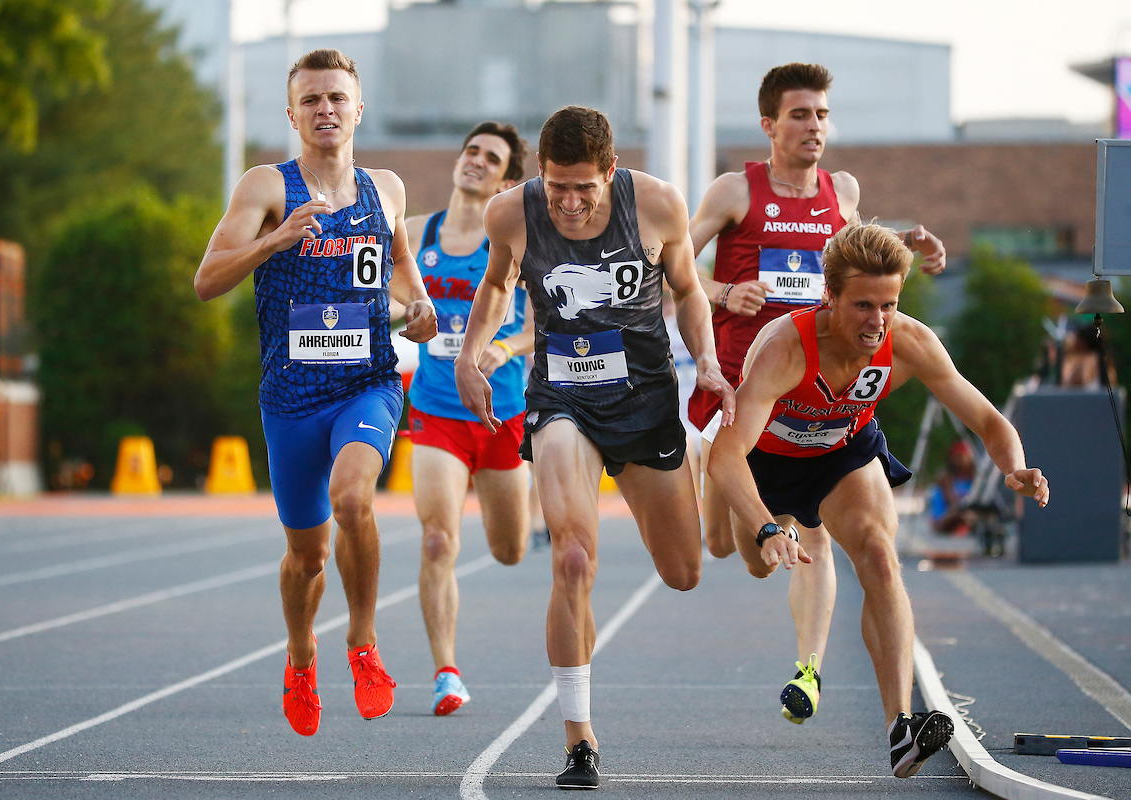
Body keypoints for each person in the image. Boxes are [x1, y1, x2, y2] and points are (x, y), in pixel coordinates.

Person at [455, 105, 734, 789]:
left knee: (683, 572)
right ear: (541, 176)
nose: (572, 204)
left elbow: (690, 293)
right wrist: (471, 353)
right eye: (558, 188)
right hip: (562, 399)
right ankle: (580, 739)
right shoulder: (511, 214)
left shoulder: (660, 205)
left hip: (644, 405)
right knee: (574, 557)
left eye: (585, 187)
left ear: (612, 171)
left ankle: (696, 462)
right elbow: (495, 285)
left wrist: (707, 361)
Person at [706, 222, 1049, 778]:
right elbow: (727, 456)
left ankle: (900, 728)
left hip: (844, 452)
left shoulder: (908, 342)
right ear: (830, 297)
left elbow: (987, 418)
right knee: (749, 561)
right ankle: (785, 531)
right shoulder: (784, 349)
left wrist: (1015, 467)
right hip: (765, 462)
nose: (877, 321)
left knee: (879, 555)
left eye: (889, 304)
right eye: (863, 305)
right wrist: (767, 528)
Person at [687, 63, 947, 725]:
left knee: (819, 531)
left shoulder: (843, 191)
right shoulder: (733, 191)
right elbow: (670, 268)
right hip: (743, 395)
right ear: (770, 124)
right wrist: (721, 292)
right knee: (726, 548)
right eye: (801, 115)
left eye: (823, 114)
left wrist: (909, 243)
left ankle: (809, 671)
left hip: (816, 404)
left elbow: (864, 253)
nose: (815, 127)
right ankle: (720, 492)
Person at [193, 48, 436, 735]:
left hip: (368, 384)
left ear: (358, 109)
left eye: (337, 98)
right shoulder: (267, 188)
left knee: (354, 497)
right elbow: (207, 280)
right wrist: (275, 242)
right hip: (292, 398)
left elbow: (407, 288)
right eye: (312, 101)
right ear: (293, 114)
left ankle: (363, 643)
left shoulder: (385, 188)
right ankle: (302, 654)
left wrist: (419, 311)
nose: (325, 110)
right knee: (308, 556)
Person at [404, 121, 534, 717]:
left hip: (503, 414)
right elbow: (380, 299)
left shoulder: (519, 244)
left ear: (507, 179)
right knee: (437, 540)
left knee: (509, 550)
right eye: (471, 151)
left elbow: (549, 322)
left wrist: (504, 347)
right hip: (436, 410)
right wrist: (401, 319)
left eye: (491, 158)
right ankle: (446, 673)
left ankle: (516, 521)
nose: (475, 162)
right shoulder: (414, 234)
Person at [928, 440, 976, 535]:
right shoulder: (945, 477)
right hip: (942, 520)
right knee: (961, 512)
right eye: (958, 456)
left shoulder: (973, 477)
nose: (960, 460)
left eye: (963, 456)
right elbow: (953, 502)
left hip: (963, 514)